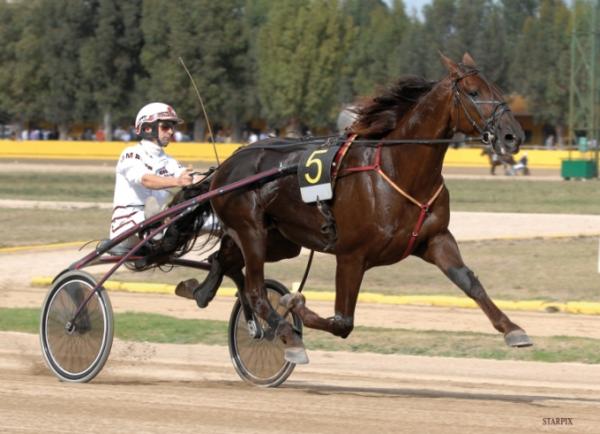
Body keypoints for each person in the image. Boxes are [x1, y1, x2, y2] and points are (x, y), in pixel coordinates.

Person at [109, 102, 197, 251]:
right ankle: (155, 224)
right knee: (158, 213)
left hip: (158, 222)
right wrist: (178, 181)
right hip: (125, 228)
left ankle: (157, 224)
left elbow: (189, 177)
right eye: (165, 127)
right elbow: (146, 180)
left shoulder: (169, 161)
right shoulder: (131, 154)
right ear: (148, 128)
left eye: (172, 127)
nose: (171, 132)